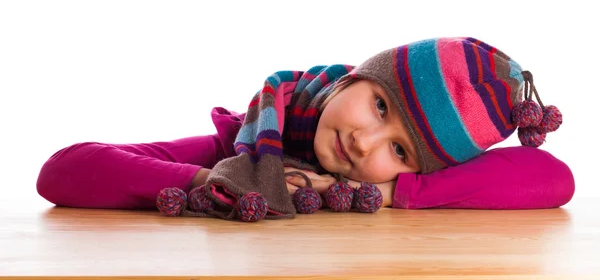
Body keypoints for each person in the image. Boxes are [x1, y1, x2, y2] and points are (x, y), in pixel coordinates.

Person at [36, 37, 575, 217]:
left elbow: (554, 178)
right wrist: (216, 184)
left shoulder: (389, 183)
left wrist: (389, 191)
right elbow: (63, 171)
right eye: (382, 107)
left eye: (401, 150)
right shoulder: (247, 144)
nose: (366, 140)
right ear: (354, 81)